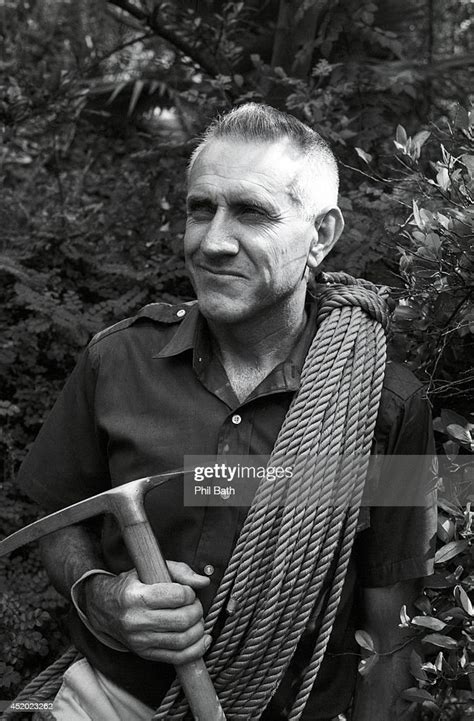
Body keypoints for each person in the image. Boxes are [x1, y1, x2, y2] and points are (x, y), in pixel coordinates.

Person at [17, 103, 436, 721]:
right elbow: (56, 517)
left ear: (320, 235)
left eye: (251, 212)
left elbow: (392, 632)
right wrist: (101, 596)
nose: (212, 242)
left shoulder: (387, 405)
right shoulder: (116, 363)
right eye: (199, 209)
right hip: (111, 701)